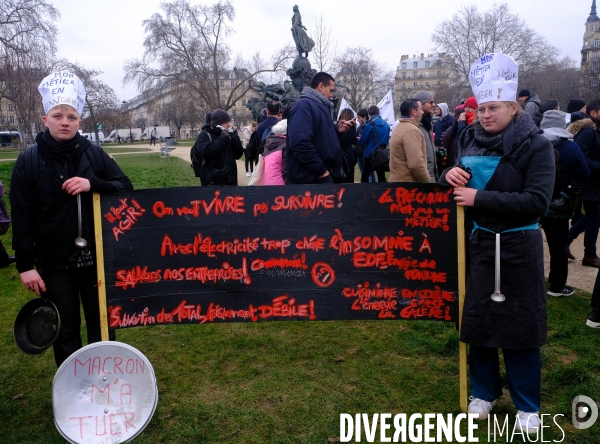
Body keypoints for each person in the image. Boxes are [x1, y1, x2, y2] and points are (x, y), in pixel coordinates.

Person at [441, 54, 554, 434]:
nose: (485, 115)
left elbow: (537, 201)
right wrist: (449, 173)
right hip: (479, 246)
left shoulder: (536, 145)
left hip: (519, 248)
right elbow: (458, 182)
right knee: (480, 323)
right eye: (482, 109)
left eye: (494, 108)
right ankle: (484, 392)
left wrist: (478, 198)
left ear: (512, 107)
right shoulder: (468, 137)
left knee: (521, 327)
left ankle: (527, 406)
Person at [10, 71, 133, 367]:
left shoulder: (93, 154)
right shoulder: (28, 161)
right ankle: (74, 388)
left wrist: (93, 184)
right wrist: (26, 266)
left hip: (96, 260)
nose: (64, 122)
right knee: (64, 328)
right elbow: (22, 216)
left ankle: (107, 378)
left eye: (71, 117)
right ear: (46, 120)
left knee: (101, 322)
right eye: (58, 115)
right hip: (54, 264)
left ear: (80, 121)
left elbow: (125, 188)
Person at [540, 110, 590, 297]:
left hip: (535, 198)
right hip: (558, 202)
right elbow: (584, 172)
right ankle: (557, 285)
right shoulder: (570, 147)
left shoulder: (534, 143)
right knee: (558, 244)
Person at [286, 71, 352, 184]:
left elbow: (319, 140)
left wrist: (336, 130)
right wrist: (323, 172)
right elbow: (300, 143)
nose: (332, 95)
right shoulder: (303, 106)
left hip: (316, 179)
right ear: (321, 86)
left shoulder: (319, 106)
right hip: (310, 181)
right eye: (331, 90)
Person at [194, 109, 244, 187]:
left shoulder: (228, 134)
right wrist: (222, 138)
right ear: (217, 123)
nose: (228, 125)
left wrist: (236, 139)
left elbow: (238, 155)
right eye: (225, 122)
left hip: (230, 179)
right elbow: (207, 153)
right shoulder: (204, 135)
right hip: (213, 181)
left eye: (229, 121)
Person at [389, 99, 429, 183]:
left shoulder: (399, 127)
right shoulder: (411, 130)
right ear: (413, 112)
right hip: (408, 187)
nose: (422, 112)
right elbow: (416, 164)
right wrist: (427, 182)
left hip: (398, 184)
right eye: (421, 109)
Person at [359, 105, 390, 183]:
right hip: (381, 154)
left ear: (370, 114)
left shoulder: (370, 124)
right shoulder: (386, 124)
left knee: (365, 178)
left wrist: (360, 138)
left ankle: (365, 194)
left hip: (369, 154)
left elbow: (362, 141)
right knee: (381, 177)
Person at [412, 90, 438, 181]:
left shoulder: (427, 125)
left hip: (431, 177)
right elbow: (415, 163)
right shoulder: (415, 127)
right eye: (430, 102)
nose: (434, 105)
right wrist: (426, 179)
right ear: (421, 104)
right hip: (423, 181)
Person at [337, 108, 357, 183]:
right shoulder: (352, 128)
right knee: (349, 176)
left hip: (340, 153)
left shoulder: (338, 127)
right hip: (349, 153)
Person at [355, 108, 374, 183]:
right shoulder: (359, 128)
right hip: (359, 154)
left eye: (359, 118)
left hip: (366, 155)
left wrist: (362, 139)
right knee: (364, 174)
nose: (358, 120)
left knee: (369, 176)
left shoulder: (369, 127)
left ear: (364, 118)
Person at [434, 103, 453, 175]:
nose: (435, 111)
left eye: (437, 109)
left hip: (445, 148)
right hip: (438, 147)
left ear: (442, 109)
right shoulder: (438, 121)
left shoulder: (450, 120)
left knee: (445, 166)